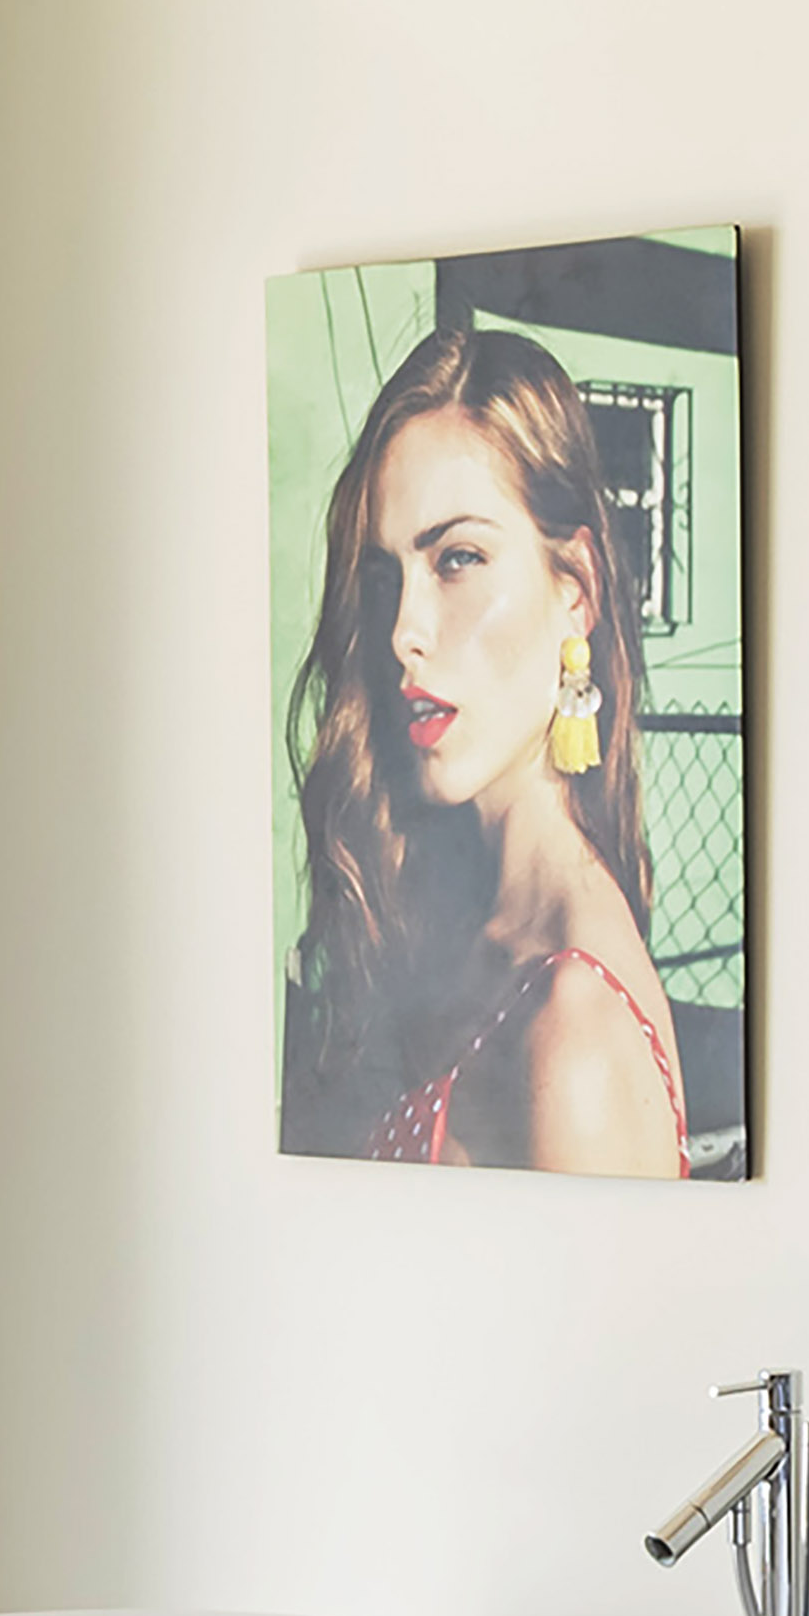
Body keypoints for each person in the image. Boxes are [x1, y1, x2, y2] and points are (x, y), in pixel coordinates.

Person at [282, 323, 687, 1176]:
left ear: (573, 591)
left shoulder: (573, 1033)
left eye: (458, 558)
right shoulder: (463, 922)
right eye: (386, 578)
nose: (402, 633)